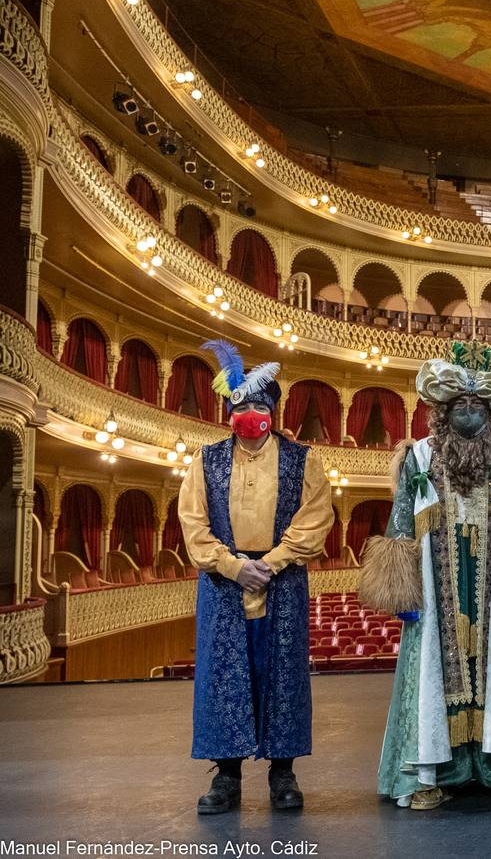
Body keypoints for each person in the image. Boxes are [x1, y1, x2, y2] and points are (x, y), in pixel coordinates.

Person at [360, 341, 491, 810]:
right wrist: (401, 588)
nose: (469, 413)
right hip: (437, 593)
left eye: (478, 406)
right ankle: (436, 771)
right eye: (461, 405)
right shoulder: (418, 457)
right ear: (442, 411)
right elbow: (398, 525)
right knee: (436, 672)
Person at [179, 340, 333, 814]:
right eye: (240, 406)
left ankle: (282, 773)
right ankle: (226, 778)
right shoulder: (205, 461)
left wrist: (274, 561)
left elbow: (315, 518)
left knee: (282, 675)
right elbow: (193, 523)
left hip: (281, 581)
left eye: (257, 406)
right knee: (223, 676)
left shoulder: (303, 460)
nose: (249, 414)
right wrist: (233, 566)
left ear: (272, 409)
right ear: (229, 411)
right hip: (224, 585)